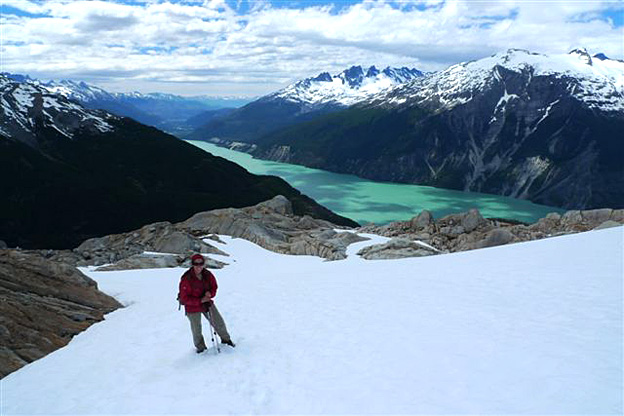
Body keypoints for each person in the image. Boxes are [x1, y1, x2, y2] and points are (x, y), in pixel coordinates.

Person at [179, 253, 235, 353]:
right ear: (192, 264)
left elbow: (214, 287)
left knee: (218, 321)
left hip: (206, 302)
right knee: (196, 329)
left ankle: (226, 340)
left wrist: (210, 294)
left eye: (201, 264)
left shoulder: (207, 274)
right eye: (196, 264)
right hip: (192, 306)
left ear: (204, 264)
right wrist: (200, 300)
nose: (198, 266)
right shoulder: (186, 278)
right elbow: (184, 299)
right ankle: (201, 349)